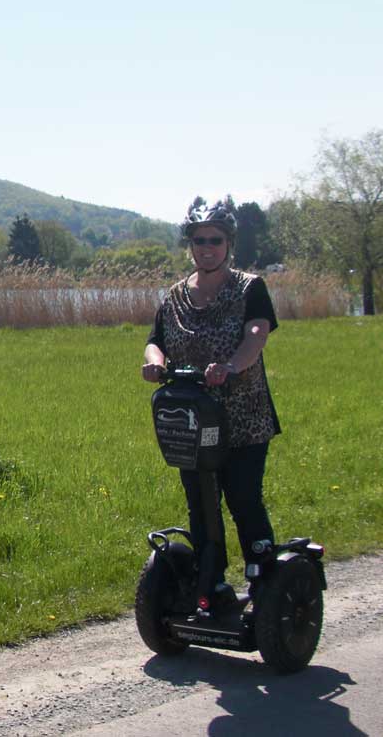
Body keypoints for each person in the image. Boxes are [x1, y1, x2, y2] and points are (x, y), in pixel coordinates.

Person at [142, 197, 281, 602]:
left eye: (215, 240)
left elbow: (256, 334)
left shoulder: (250, 288)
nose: (207, 247)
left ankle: (264, 575)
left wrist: (232, 367)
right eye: (199, 240)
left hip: (244, 417)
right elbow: (156, 342)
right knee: (201, 504)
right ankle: (210, 581)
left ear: (228, 243)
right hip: (193, 421)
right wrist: (153, 364)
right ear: (190, 244)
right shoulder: (175, 295)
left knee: (242, 498)